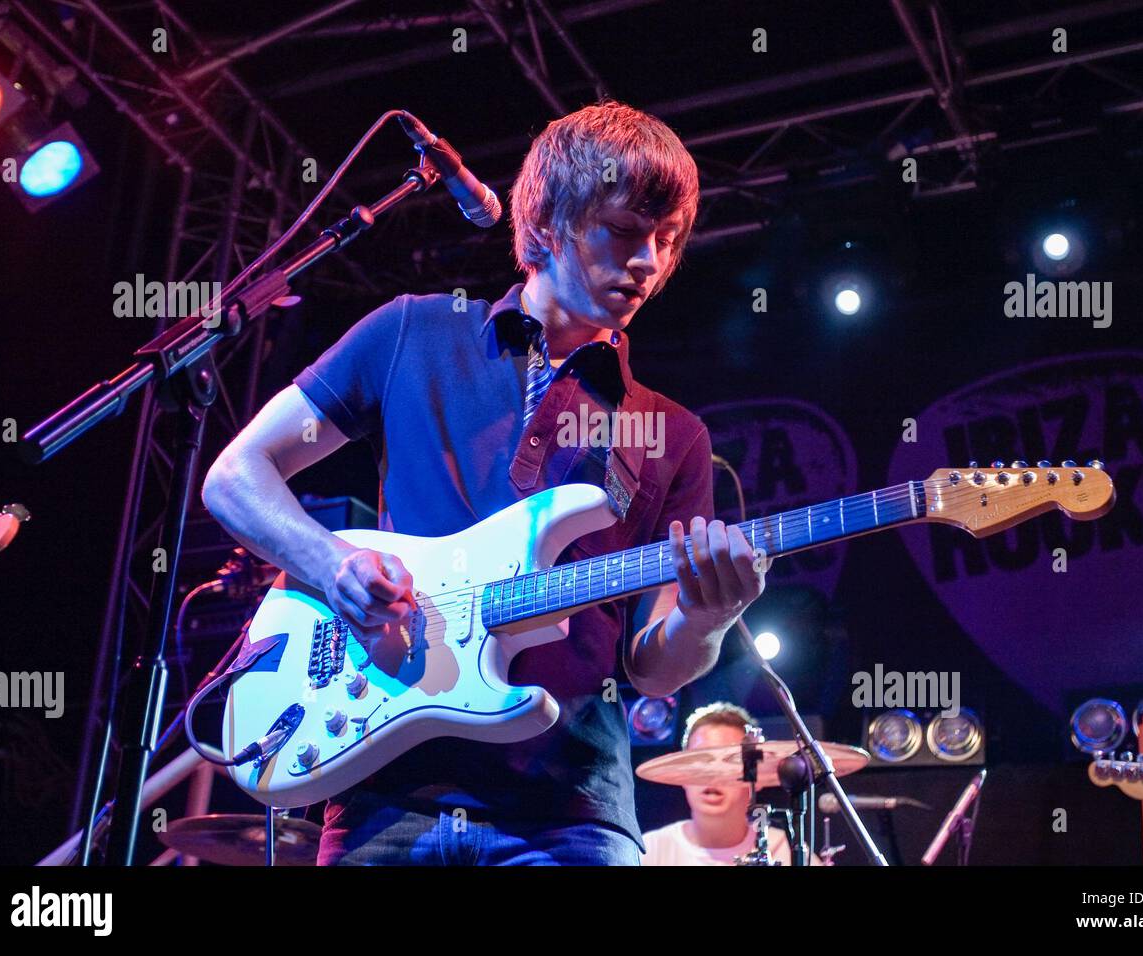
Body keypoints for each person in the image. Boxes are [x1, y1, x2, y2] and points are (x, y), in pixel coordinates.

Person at [201, 100, 767, 865]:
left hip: (571, 812)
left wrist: (708, 620)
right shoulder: (412, 333)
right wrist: (331, 565)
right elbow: (236, 475)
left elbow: (649, 665)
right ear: (549, 221)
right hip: (383, 791)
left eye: (666, 241)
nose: (649, 263)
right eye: (626, 233)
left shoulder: (672, 435)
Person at [641, 702, 826, 865]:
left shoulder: (786, 852)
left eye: (730, 761)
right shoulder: (648, 851)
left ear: (757, 777)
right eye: (702, 760)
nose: (714, 774)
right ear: (682, 775)